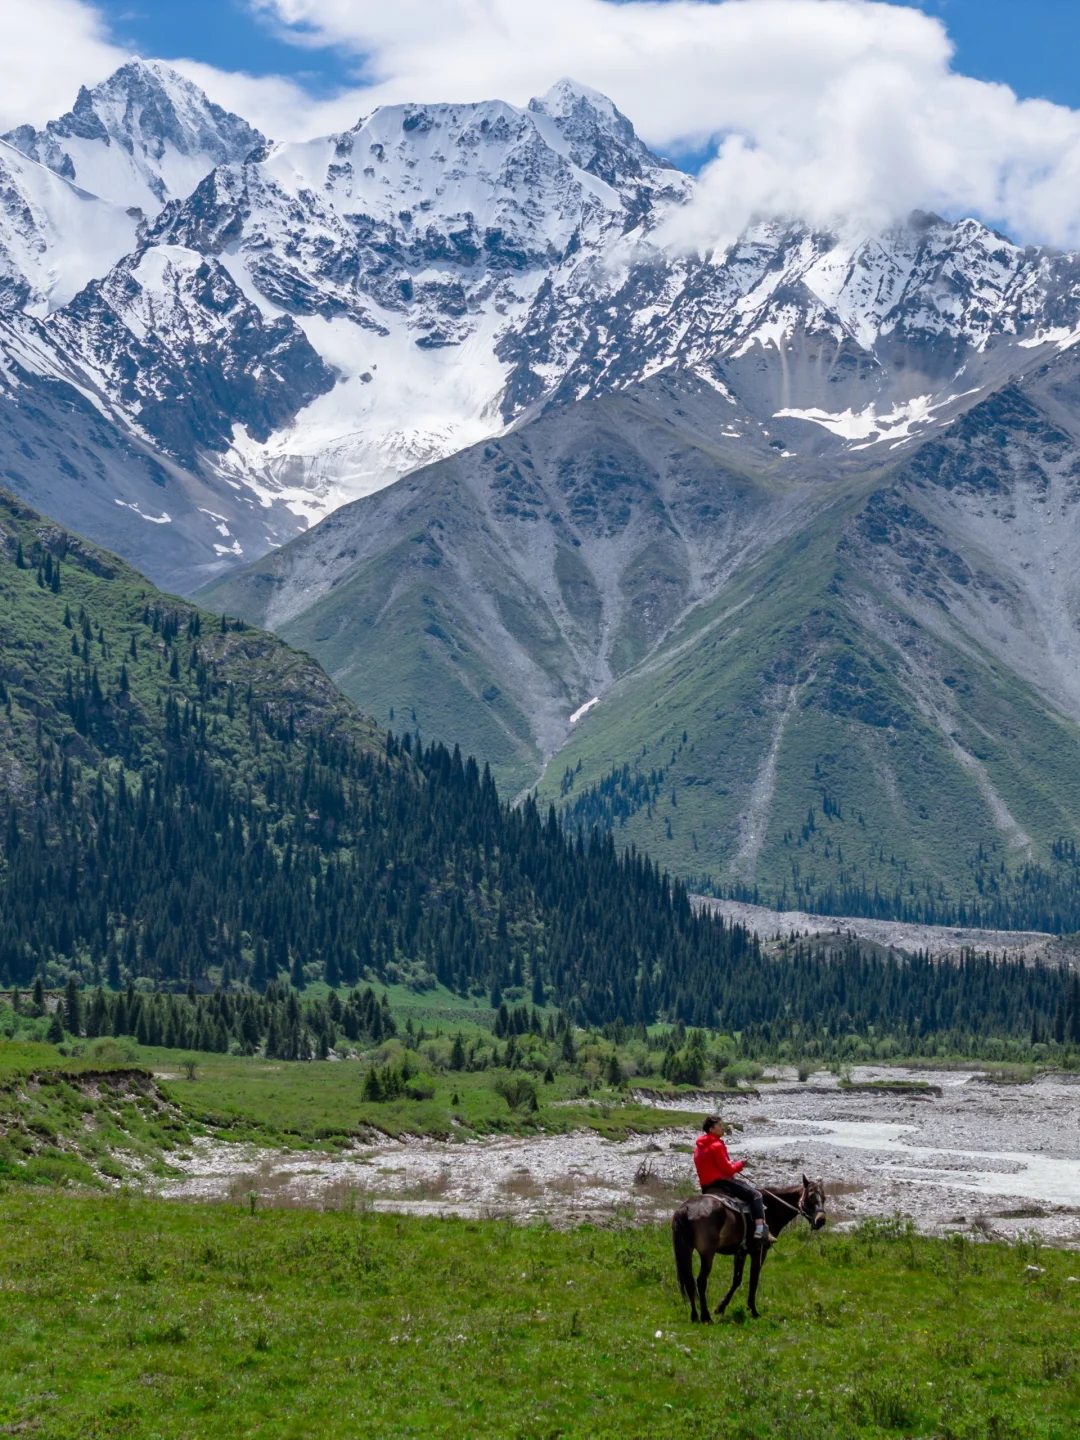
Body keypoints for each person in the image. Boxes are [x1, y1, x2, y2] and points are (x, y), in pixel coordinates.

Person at [693, 1114, 769, 1242]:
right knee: (756, 1195)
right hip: (721, 1181)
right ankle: (760, 1230)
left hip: (706, 1185)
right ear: (711, 1129)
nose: (723, 1128)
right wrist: (740, 1164)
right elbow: (728, 1169)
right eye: (720, 1126)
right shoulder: (716, 1145)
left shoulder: (698, 1148)